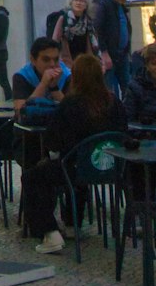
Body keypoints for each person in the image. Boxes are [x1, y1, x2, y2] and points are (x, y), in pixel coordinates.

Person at [22, 51, 126, 255]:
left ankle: (50, 232)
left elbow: (53, 141)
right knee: (79, 168)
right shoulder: (115, 103)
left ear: (75, 77)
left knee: (33, 177)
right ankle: (72, 224)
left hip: (76, 168)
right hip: (111, 167)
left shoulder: (70, 104)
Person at [13, 37, 71, 121]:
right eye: (46, 60)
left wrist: (54, 88)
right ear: (33, 60)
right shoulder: (21, 77)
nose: (52, 64)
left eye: (56, 59)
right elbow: (20, 113)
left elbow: (73, 113)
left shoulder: (68, 76)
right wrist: (43, 84)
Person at [92, 0, 132, 98]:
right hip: (109, 54)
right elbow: (99, 29)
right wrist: (104, 53)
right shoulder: (104, 5)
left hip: (122, 54)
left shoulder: (122, 7)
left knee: (128, 88)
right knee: (110, 89)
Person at [123, 42, 156, 124]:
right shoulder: (135, 87)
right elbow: (128, 120)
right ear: (147, 66)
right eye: (154, 64)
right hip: (146, 134)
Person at [51, 0, 99, 66]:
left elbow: (93, 41)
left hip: (84, 60)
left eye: (82, 1)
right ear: (71, 3)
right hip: (67, 61)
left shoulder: (88, 22)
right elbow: (55, 40)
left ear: (86, 5)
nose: (78, 3)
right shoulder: (63, 19)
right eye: (76, 0)